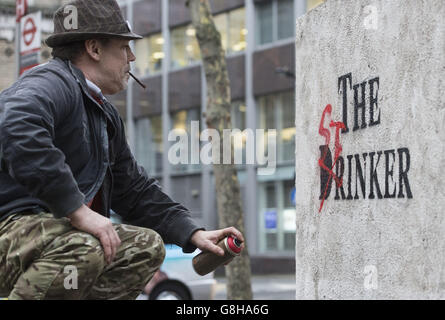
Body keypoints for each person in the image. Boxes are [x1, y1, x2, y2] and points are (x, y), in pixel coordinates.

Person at [0, 0, 244, 300]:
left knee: (144, 247)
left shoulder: (102, 114)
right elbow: (15, 124)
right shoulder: (52, 82)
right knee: (85, 245)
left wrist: (192, 233)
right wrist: (77, 211)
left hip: (47, 239)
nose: (131, 56)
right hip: (10, 230)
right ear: (95, 49)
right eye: (124, 47)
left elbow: (134, 190)